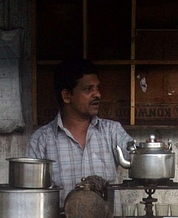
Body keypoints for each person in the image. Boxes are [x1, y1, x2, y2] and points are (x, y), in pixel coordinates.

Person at [26, 57, 135, 204]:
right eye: (88, 89)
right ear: (67, 96)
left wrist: (151, 151)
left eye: (98, 88)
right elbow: (30, 196)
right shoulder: (41, 141)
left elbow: (137, 157)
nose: (97, 94)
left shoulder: (112, 132)